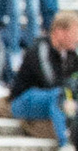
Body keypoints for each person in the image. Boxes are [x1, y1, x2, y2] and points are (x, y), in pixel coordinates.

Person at [6, 8, 78, 143]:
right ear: (59, 31)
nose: (77, 38)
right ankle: (65, 144)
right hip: (23, 100)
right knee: (58, 95)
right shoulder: (40, 48)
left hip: (54, 99)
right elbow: (50, 82)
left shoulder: (70, 54)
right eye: (74, 33)